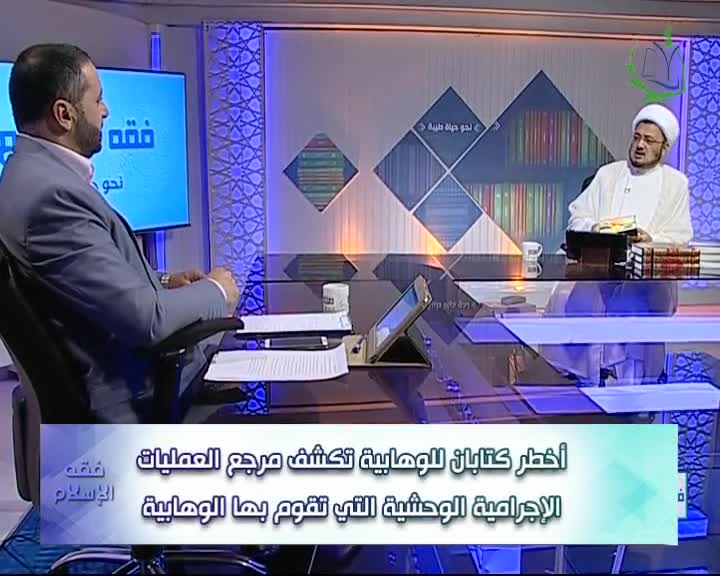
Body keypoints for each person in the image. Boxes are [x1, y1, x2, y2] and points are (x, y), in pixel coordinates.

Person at [0, 44, 242, 422]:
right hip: (137, 401)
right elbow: (148, 321)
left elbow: (88, 283)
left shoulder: (27, 175)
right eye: (98, 99)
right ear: (64, 114)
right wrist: (218, 290)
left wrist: (164, 281)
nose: (106, 110)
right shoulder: (53, 197)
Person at [542, 104, 693, 386]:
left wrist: (650, 240)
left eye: (649, 141)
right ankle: (582, 377)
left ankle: (626, 384)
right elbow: (577, 217)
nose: (640, 145)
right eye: (637, 137)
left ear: (664, 148)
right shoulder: (607, 175)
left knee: (630, 303)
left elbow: (680, 236)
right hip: (598, 271)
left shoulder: (676, 184)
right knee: (565, 296)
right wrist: (595, 229)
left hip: (646, 280)